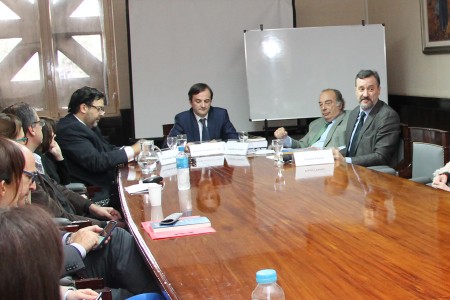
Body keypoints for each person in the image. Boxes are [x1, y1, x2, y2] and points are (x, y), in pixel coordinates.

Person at [0, 137, 162, 300]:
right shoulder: (12, 222)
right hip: (56, 271)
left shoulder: (13, 214)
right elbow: (22, 275)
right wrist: (78, 247)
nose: (34, 186)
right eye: (29, 177)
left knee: (118, 240)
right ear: (3, 186)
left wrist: (70, 238)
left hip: (56, 273)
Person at [2, 103, 121, 227]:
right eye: (40, 123)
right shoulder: (22, 174)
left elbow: (58, 186)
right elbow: (60, 218)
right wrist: (106, 225)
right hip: (70, 228)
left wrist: (92, 207)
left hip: (76, 216)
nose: (42, 127)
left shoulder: (37, 158)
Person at [56, 86, 141, 207]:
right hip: (94, 194)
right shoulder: (69, 129)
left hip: (106, 186)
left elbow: (106, 149)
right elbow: (97, 162)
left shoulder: (87, 125)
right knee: (138, 202)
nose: (102, 113)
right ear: (84, 108)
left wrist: (130, 151)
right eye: (99, 109)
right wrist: (133, 150)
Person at [332, 70, 400, 167]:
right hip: (350, 170)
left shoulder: (388, 116)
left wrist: (345, 160)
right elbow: (353, 149)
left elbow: (381, 156)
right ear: (355, 90)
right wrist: (333, 154)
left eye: (370, 89)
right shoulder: (354, 113)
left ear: (379, 90)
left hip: (373, 175)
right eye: (361, 89)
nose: (365, 94)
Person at [274, 88, 348, 149]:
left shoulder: (350, 119)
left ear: (340, 105)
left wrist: (320, 150)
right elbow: (302, 145)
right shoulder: (315, 124)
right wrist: (285, 138)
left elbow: (349, 148)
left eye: (328, 103)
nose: (323, 108)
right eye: (321, 104)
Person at [168, 83, 238, 143]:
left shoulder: (220, 115)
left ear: (211, 101)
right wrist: (184, 147)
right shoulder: (182, 119)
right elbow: (169, 145)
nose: (203, 105)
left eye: (206, 101)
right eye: (198, 101)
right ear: (190, 102)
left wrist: (219, 143)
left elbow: (234, 139)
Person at [37, 116, 71, 185]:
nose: (55, 135)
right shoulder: (38, 157)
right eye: (52, 134)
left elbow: (65, 181)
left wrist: (59, 157)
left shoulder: (49, 154)